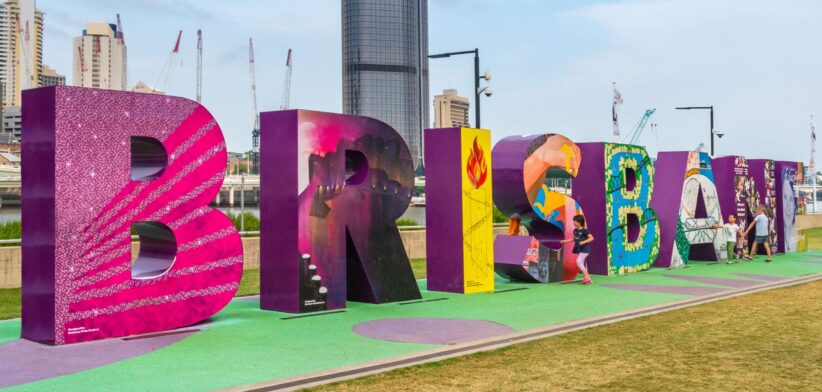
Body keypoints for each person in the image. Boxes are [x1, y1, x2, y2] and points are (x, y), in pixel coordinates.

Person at [561, 215, 594, 284]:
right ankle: (587, 278)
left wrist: (584, 242)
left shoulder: (585, 231)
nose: (573, 223)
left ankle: (587, 277)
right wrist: (565, 241)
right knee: (580, 262)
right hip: (580, 249)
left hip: (585, 249)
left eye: (574, 221)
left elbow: (591, 238)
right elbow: (573, 239)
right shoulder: (575, 230)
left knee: (578, 261)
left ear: (579, 222)